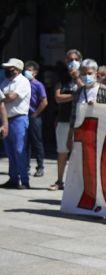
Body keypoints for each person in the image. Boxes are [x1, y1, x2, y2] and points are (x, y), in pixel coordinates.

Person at [50, 49, 82, 191]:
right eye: (69, 59)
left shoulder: (85, 75)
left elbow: (86, 91)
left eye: (75, 59)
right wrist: (74, 96)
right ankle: (59, 181)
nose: (72, 62)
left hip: (80, 121)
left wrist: (77, 78)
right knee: (62, 152)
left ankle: (77, 183)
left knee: (78, 153)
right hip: (64, 119)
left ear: (80, 60)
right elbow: (57, 98)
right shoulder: (61, 78)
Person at [0, 58, 32, 189]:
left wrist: (4, 96)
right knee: (10, 151)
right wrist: (5, 96)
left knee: (19, 150)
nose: (7, 70)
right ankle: (13, 179)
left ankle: (24, 181)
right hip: (6, 119)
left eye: (10, 68)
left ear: (18, 69)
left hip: (19, 119)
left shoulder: (23, 82)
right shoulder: (5, 81)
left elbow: (11, 97)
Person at [66, 59, 100, 153]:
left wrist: (98, 106)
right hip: (80, 135)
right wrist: (69, 137)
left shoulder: (105, 91)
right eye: (84, 74)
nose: (87, 77)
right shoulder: (79, 92)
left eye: (89, 73)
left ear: (96, 73)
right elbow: (73, 117)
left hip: (99, 135)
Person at [23, 61, 48, 177]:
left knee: (37, 142)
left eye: (30, 70)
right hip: (23, 116)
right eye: (26, 69)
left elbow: (44, 101)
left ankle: (40, 167)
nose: (27, 72)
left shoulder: (38, 85)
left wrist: (35, 114)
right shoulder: (22, 84)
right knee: (25, 143)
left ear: (35, 73)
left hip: (34, 117)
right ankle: (26, 167)